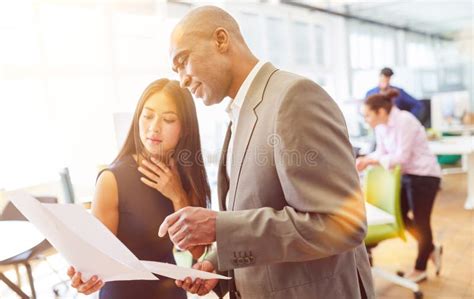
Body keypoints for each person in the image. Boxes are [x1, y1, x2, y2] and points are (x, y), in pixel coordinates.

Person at [158, 6, 375, 299]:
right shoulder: (240, 113)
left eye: (183, 61)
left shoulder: (294, 98)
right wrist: (217, 260)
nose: (182, 80)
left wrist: (218, 226)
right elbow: (257, 208)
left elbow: (342, 224)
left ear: (221, 40)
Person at [66, 79, 211, 298]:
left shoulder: (187, 174)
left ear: (185, 128)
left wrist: (177, 195)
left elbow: (200, 252)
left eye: (168, 119)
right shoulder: (111, 180)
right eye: (148, 115)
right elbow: (96, 263)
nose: (154, 127)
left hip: (171, 292)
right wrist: (84, 278)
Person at [356, 90, 443, 283]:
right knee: (400, 217)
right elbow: (382, 151)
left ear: (380, 111)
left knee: (422, 221)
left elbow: (400, 157)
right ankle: (430, 248)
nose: (366, 120)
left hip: (424, 176)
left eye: (367, 115)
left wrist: (372, 161)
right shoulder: (380, 126)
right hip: (405, 175)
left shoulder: (405, 121)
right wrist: (369, 158)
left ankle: (420, 268)